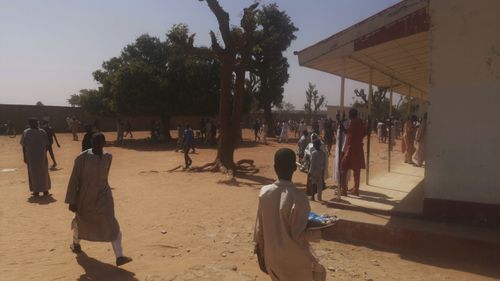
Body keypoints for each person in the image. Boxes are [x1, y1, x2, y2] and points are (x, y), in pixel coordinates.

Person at [253, 148, 325, 281]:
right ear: (294, 168)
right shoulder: (299, 198)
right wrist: (318, 229)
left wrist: (261, 256)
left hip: (272, 260)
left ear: (275, 168)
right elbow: (299, 235)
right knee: (319, 272)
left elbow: (259, 230)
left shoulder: (264, 193)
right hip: (294, 263)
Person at [65, 133, 132, 266]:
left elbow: (105, 177)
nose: (97, 145)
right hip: (85, 196)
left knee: (112, 222)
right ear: (91, 142)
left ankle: (119, 256)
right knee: (82, 221)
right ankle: (75, 243)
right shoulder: (82, 158)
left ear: (104, 143)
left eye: (100, 142)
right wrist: (72, 200)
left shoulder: (108, 157)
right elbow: (74, 179)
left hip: (104, 196)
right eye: (95, 142)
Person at [21, 118, 52, 197]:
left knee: (43, 172)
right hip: (31, 156)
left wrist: (45, 154)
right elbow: (24, 146)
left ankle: (45, 190)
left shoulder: (42, 132)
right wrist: (24, 156)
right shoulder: (26, 132)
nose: (36, 124)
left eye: (36, 122)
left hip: (41, 156)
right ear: (30, 124)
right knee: (33, 173)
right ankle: (36, 190)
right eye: (34, 123)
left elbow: (47, 144)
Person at [340, 109, 366, 196]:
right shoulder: (361, 123)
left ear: (351, 115)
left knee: (343, 167)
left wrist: (343, 129)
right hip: (359, 148)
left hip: (352, 149)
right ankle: (356, 189)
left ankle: (343, 190)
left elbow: (349, 132)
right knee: (357, 170)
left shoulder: (353, 122)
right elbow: (365, 132)